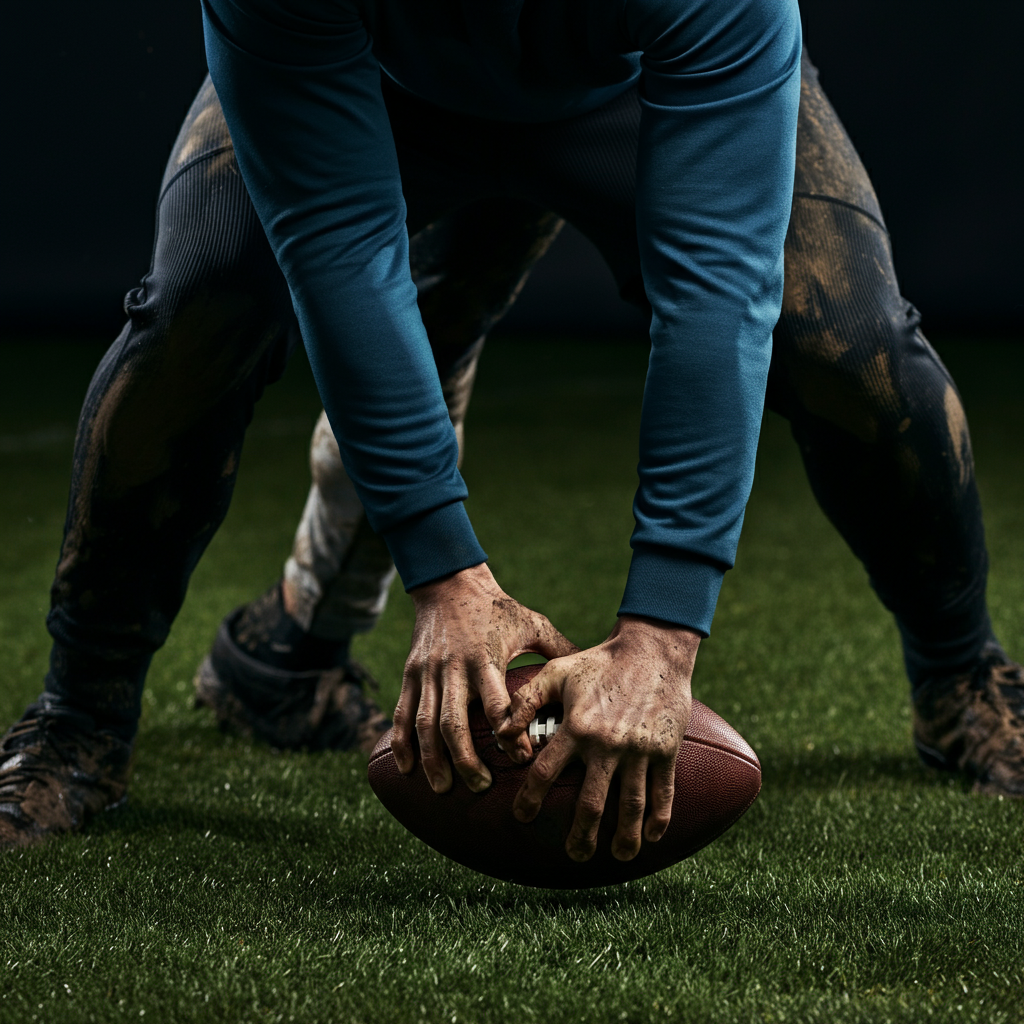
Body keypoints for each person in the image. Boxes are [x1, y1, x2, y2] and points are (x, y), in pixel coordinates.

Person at [2, 0, 1020, 855]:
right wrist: (446, 579)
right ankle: (83, 714)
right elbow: (340, 247)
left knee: (851, 341)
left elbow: (718, 284)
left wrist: (662, 634)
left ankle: (960, 675)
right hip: (380, 82)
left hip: (629, 88)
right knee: (197, 307)